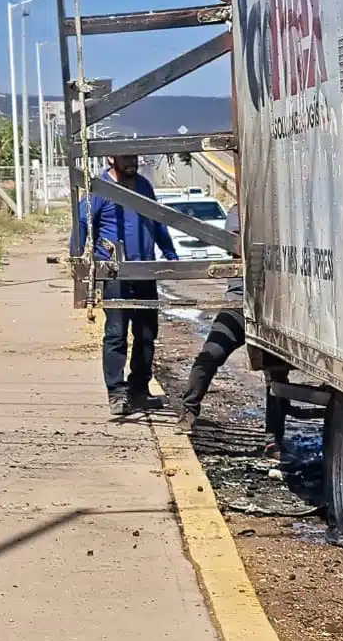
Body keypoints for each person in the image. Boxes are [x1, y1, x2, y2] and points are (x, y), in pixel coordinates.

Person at [71, 155, 179, 416]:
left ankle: (139, 390)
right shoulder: (101, 189)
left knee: (146, 334)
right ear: (111, 158)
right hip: (114, 273)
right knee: (117, 333)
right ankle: (117, 394)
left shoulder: (143, 185)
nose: (132, 162)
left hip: (145, 270)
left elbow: (157, 220)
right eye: (126, 158)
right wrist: (80, 264)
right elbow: (83, 223)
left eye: (134, 158)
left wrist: (170, 253)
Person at [178, 205, 290, 452]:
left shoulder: (282, 209)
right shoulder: (239, 211)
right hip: (238, 304)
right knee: (211, 354)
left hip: (273, 307)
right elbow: (238, 247)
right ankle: (189, 410)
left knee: (277, 372)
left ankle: (273, 438)